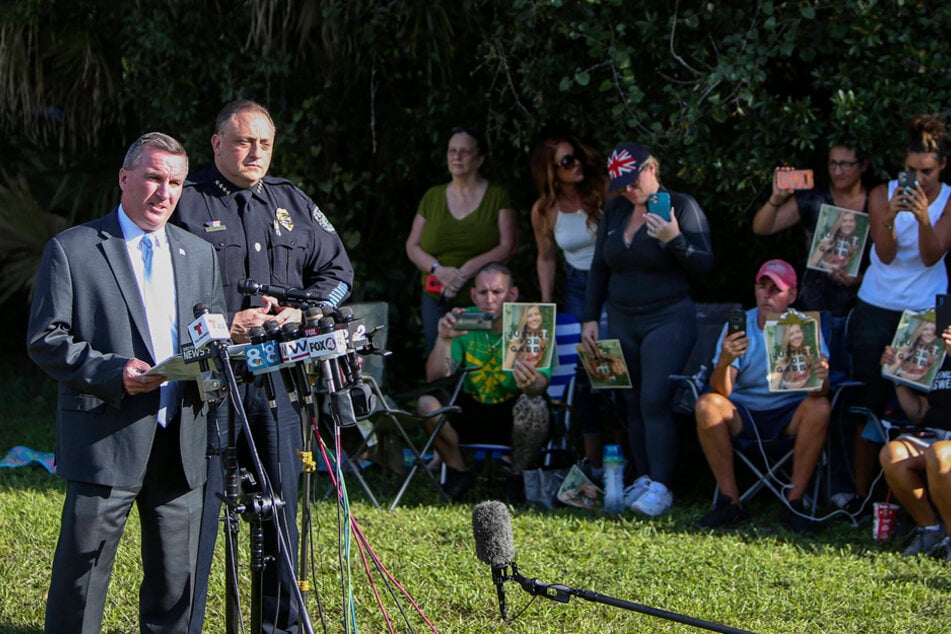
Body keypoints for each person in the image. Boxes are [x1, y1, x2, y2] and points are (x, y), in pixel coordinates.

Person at [27, 132, 226, 633]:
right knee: (83, 578)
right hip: (106, 434)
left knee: (175, 583)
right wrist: (115, 373)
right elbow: (47, 339)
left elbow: (211, 333)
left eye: (176, 182)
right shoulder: (73, 249)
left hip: (180, 437)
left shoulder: (199, 254)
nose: (165, 192)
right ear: (124, 178)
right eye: (154, 177)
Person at [174, 100, 354, 634]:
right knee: (202, 514)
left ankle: (278, 628)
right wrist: (227, 321)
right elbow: (160, 294)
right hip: (210, 381)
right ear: (216, 143)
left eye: (265, 144)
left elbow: (338, 272)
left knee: (278, 509)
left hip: (279, 381)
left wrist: (307, 310)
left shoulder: (291, 201)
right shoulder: (185, 203)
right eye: (243, 142)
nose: (255, 153)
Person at [581, 142, 713, 517]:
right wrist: (591, 317)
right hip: (622, 317)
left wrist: (674, 240)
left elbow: (705, 264)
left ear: (651, 168)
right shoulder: (617, 210)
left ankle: (663, 485)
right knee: (631, 401)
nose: (628, 189)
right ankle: (643, 477)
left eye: (633, 180)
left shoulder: (680, 206)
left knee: (655, 399)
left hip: (667, 316)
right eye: (620, 183)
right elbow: (599, 267)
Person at [845, 113, 951, 518]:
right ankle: (862, 498)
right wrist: (891, 215)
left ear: (941, 166)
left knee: (932, 398)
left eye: (925, 171)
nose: (918, 179)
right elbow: (885, 254)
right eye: (910, 170)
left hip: (928, 309)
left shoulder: (948, 200)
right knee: (867, 401)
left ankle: (926, 499)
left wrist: (924, 217)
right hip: (877, 305)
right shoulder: (880, 194)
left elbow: (930, 255)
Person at [694, 260, 831, 535]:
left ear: (791, 296)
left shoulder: (803, 327)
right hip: (744, 414)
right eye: (762, 287)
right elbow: (722, 392)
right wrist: (725, 359)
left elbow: (819, 392)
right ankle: (730, 502)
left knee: (820, 407)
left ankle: (794, 503)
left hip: (789, 412)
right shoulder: (739, 325)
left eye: (776, 290)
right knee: (707, 405)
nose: (767, 295)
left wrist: (822, 375)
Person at [417, 262, 551, 502]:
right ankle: (459, 473)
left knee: (535, 405)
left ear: (512, 294)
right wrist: (444, 340)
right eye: (483, 292)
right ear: (473, 295)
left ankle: (516, 478)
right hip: (470, 409)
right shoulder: (463, 321)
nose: (489, 299)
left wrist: (530, 381)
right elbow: (435, 380)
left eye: (497, 292)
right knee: (426, 404)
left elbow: (540, 386)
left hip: (510, 413)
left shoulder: (531, 323)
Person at [530, 132, 619, 481]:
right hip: (580, 287)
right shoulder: (545, 210)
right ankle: (598, 465)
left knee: (616, 370)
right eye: (566, 162)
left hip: (616, 282)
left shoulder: (603, 188)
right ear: (551, 172)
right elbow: (546, 257)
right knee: (591, 373)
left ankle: (624, 459)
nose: (576, 164)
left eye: (576, 156)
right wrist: (547, 307)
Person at [752, 144, 871, 373]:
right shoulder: (813, 198)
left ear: (863, 166)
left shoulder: (876, 201)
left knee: (855, 382)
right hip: (814, 306)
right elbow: (762, 227)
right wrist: (776, 198)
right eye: (833, 163)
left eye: (845, 164)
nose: (838, 171)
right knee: (812, 378)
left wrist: (863, 278)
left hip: (860, 307)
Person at [405, 126, 518, 354]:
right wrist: (439, 270)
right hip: (436, 296)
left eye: (464, 151)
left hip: (483, 299)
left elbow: (508, 245)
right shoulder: (432, 197)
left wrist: (467, 270)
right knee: (440, 358)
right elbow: (412, 245)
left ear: (479, 159)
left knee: (480, 357)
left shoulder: (497, 195)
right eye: (451, 151)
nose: (456, 156)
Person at [879, 325, 951, 558]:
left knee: (940, 455)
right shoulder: (936, 350)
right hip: (935, 434)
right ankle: (930, 529)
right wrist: (897, 375)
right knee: (893, 454)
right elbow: (919, 413)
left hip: (942, 448)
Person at [884, 318, 942, 384]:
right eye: (926, 329)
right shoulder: (906, 345)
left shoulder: (937, 351)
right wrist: (898, 362)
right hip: (898, 382)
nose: (930, 333)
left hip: (919, 385)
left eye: (934, 331)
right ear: (919, 331)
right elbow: (887, 372)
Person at [769, 323, 818, 391]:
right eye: (791, 334)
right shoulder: (783, 356)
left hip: (808, 387)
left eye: (798, 331)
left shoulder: (808, 350)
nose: (796, 336)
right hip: (789, 393)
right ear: (786, 338)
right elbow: (774, 385)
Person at [502, 303, 551, 368]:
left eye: (536, 314)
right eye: (529, 316)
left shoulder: (544, 334)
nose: (534, 318)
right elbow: (507, 366)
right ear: (524, 319)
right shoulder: (517, 338)